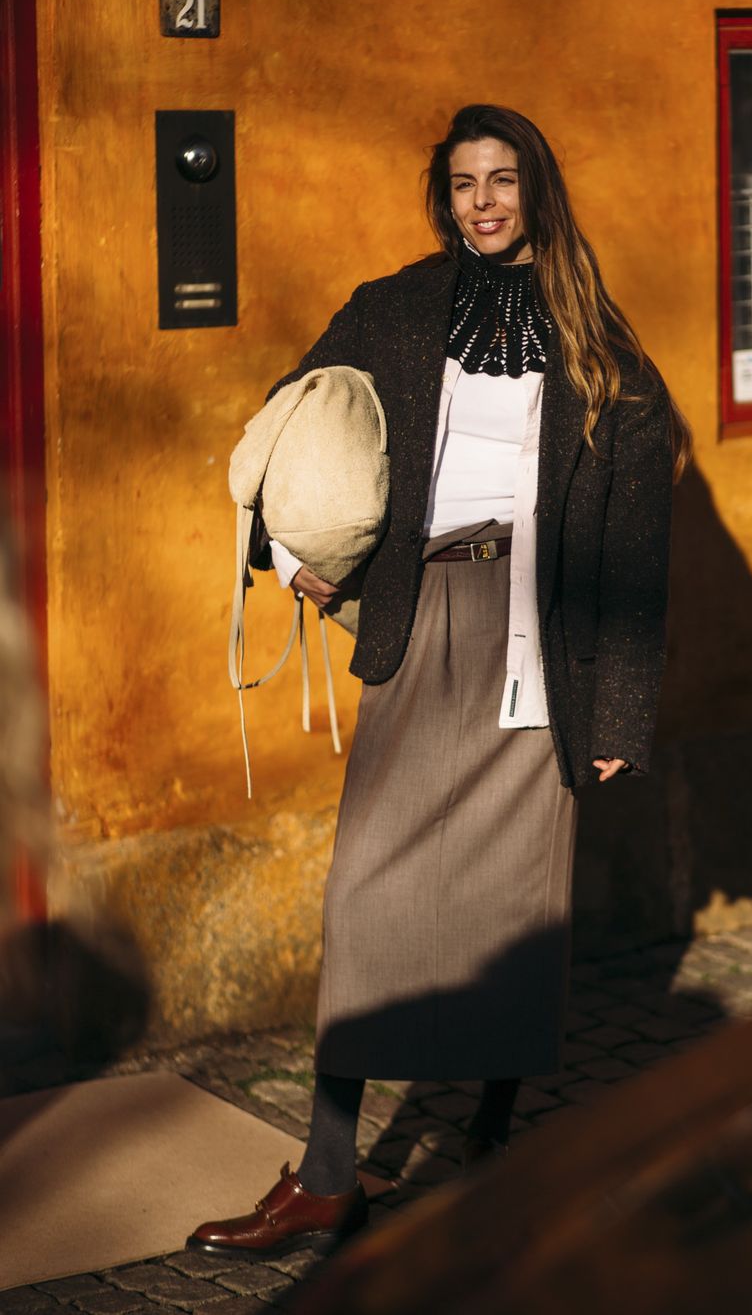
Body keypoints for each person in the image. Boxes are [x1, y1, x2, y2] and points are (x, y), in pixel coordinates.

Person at [188, 104, 691, 1261]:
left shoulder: (601, 352)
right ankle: (325, 1175)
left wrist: (615, 710)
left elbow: (632, 546)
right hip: (423, 621)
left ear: (536, 191)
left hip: (538, 650)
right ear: (444, 197)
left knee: (515, 910)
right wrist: (300, 554)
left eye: (501, 179)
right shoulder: (395, 308)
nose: (482, 202)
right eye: (463, 182)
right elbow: (291, 420)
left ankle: (493, 1138)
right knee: (366, 890)